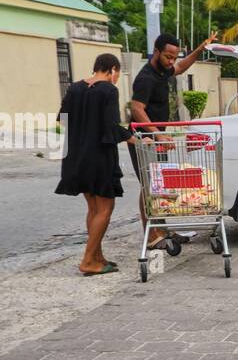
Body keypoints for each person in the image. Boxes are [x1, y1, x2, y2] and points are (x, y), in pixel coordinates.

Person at [54, 53, 145, 275]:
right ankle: (87, 260)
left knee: (94, 208)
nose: (116, 78)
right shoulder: (108, 90)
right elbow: (111, 127)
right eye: (117, 74)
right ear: (112, 69)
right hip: (98, 158)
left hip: (75, 156)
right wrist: (138, 140)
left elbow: (62, 118)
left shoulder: (75, 88)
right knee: (106, 208)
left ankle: (97, 256)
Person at [129, 31, 218, 248]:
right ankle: (151, 237)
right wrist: (157, 133)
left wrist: (199, 49)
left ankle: (162, 230)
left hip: (159, 138)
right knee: (148, 185)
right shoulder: (145, 78)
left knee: (160, 185)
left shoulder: (165, 70)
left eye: (174, 56)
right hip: (144, 138)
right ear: (157, 51)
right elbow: (136, 108)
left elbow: (181, 68)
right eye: (168, 56)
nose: (172, 61)